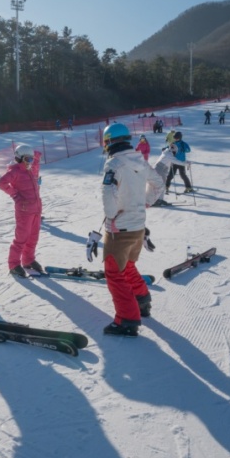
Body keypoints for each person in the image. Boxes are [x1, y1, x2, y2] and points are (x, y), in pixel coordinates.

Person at [95, 123, 165, 336]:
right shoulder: (139, 160)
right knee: (128, 267)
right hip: (137, 227)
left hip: (120, 228)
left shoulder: (114, 164)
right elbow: (159, 184)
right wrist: (145, 202)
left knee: (114, 273)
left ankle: (127, 319)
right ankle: (142, 300)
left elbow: (108, 195)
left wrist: (112, 216)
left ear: (108, 142)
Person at [0, 144, 45, 278]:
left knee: (33, 237)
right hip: (24, 210)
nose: (31, 162)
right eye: (28, 159)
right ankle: (13, 264)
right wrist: (15, 195)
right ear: (20, 159)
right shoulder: (15, 172)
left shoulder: (31, 169)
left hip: (36, 208)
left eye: (32, 159)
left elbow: (36, 162)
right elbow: (1, 183)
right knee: (21, 238)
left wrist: (35, 155)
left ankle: (28, 260)